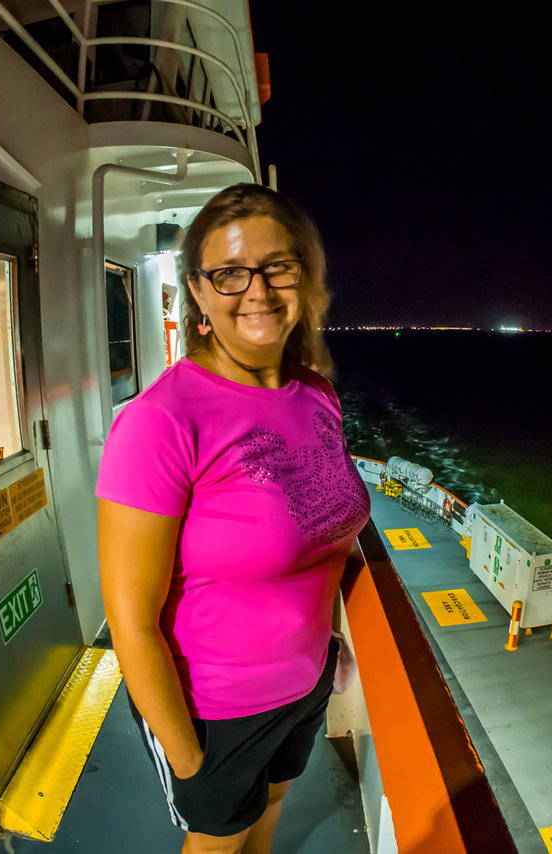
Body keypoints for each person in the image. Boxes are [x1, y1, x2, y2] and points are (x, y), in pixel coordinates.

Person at [96, 183, 371, 854]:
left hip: (302, 691)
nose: (258, 289)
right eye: (230, 273)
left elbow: (329, 526)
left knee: (269, 820)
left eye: (278, 266)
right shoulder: (161, 422)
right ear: (197, 291)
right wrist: (190, 761)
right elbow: (130, 622)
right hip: (215, 712)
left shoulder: (316, 394)